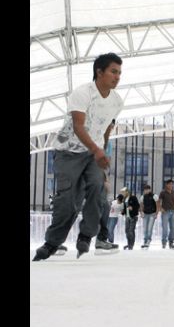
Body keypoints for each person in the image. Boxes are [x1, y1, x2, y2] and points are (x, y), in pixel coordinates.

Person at [33, 53, 123, 261]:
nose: (117, 77)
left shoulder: (117, 101)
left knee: (98, 193)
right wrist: (97, 150)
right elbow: (78, 126)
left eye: (119, 73)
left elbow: (106, 129)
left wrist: (103, 153)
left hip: (93, 153)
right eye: (113, 71)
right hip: (69, 151)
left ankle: (86, 236)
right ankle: (53, 242)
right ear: (99, 72)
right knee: (68, 200)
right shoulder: (83, 93)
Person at [139, 184, 160, 249]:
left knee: (149, 228)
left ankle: (148, 240)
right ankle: (145, 241)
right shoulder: (142, 197)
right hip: (145, 214)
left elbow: (158, 205)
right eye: (145, 190)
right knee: (145, 228)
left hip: (152, 214)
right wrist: (141, 212)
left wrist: (156, 213)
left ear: (150, 190)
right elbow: (141, 206)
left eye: (147, 189)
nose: (146, 191)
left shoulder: (155, 196)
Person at [159, 179, 174, 249]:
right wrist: (160, 208)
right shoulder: (162, 192)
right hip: (165, 212)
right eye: (169, 184)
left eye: (172, 184)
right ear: (166, 185)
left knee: (173, 227)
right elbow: (159, 201)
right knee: (165, 228)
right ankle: (164, 242)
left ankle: (171, 242)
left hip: (172, 212)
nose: (171, 185)